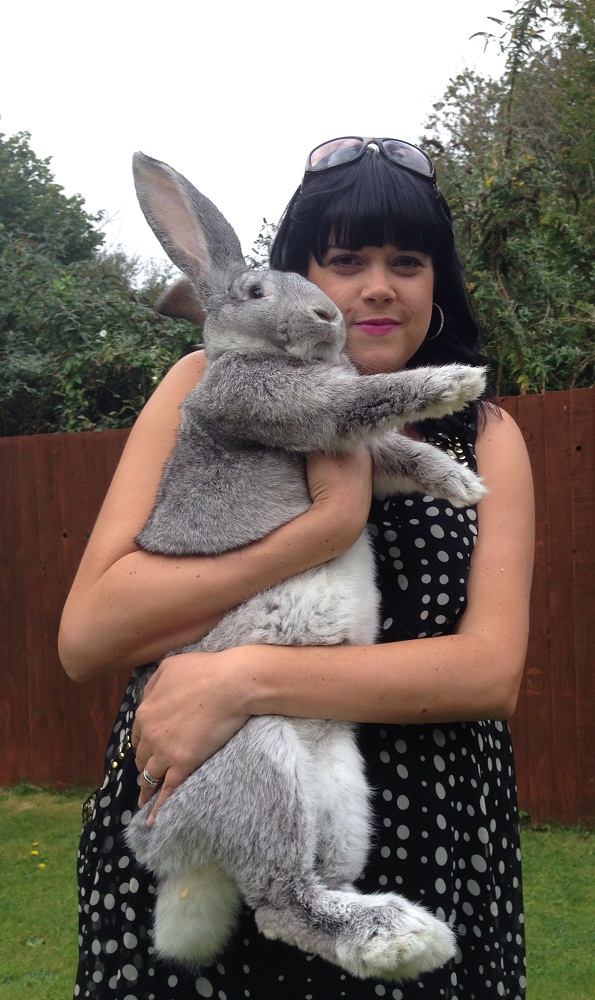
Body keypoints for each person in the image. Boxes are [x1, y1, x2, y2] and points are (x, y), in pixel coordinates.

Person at [59, 136, 535, 1000]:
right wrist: (323, 529)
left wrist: (242, 679)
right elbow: (90, 634)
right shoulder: (201, 384)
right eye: (346, 260)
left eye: (408, 261)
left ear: (438, 283)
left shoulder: (488, 437)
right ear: (300, 278)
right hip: (217, 798)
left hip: (425, 836)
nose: (378, 285)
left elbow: (488, 671)